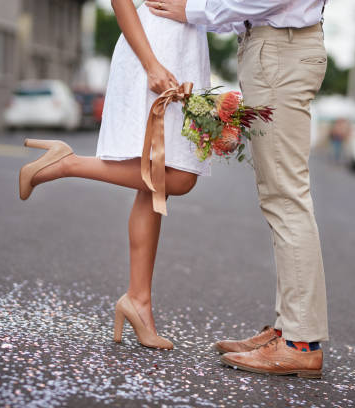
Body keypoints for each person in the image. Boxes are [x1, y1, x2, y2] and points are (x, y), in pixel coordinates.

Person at [147, 0, 329, 378]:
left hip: (282, 48)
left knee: (285, 196)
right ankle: (289, 330)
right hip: (274, 46)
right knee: (279, 194)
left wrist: (193, 9)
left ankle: (300, 344)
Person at [18, 0, 211, 350]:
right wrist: (151, 63)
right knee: (179, 177)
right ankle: (66, 163)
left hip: (185, 52)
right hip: (153, 53)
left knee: (155, 185)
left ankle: (139, 301)